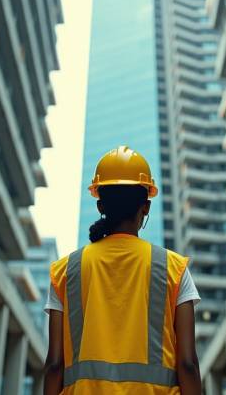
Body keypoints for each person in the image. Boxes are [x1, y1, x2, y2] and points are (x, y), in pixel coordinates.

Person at [44, 145, 202, 394]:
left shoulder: (65, 271)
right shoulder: (174, 268)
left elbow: (54, 364)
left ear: (100, 206)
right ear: (146, 206)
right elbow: (188, 364)